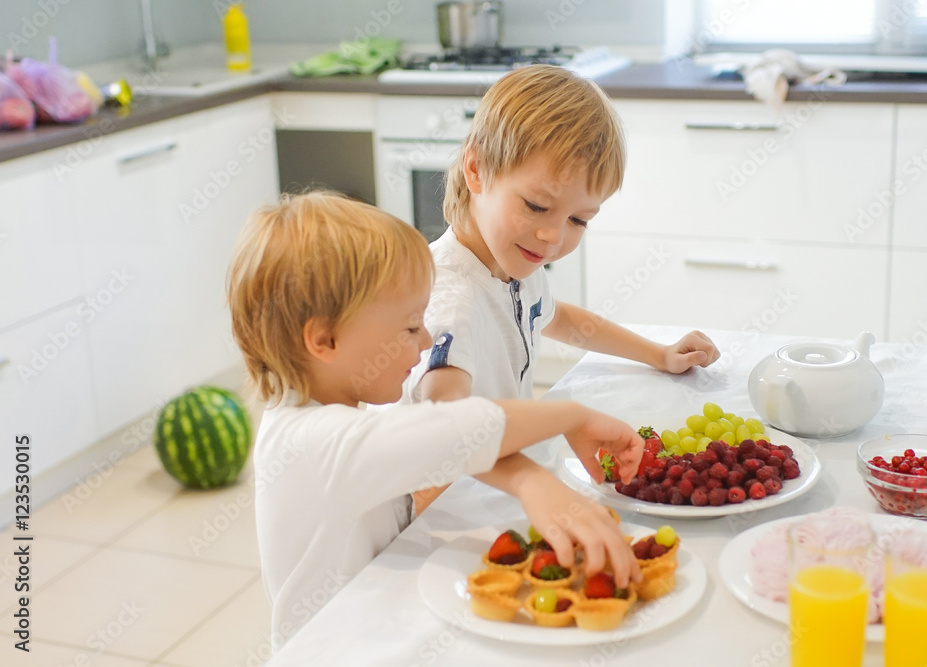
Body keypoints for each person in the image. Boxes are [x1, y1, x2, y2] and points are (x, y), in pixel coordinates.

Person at [226, 192, 644, 643]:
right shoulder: (313, 443)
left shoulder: (319, 415)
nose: (426, 340)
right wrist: (571, 418)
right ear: (325, 340)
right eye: (409, 326)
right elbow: (459, 428)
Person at [401, 64, 721, 510]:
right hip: (444, 512)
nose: (553, 236)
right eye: (536, 206)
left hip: (491, 486)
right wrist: (559, 423)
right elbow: (443, 422)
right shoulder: (451, 300)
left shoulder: (509, 267)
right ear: (476, 169)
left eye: (578, 220)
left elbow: (562, 319)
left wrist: (658, 353)